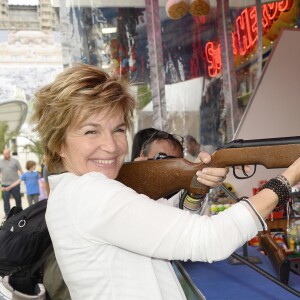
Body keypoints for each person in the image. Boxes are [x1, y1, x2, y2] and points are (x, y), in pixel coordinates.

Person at [31, 63, 300, 300]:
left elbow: (164, 230)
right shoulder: (90, 193)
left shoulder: (69, 193)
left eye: (119, 130)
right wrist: (286, 180)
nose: (111, 146)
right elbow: (211, 239)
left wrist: (197, 187)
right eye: (91, 131)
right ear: (58, 144)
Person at [0, 148, 23, 218]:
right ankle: (7, 215)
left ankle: (19, 213)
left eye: (7, 154)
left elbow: (21, 171)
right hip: (4, 184)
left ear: (9, 153)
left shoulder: (15, 161)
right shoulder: (0, 162)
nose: (5, 155)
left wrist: (21, 179)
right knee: (6, 201)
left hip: (15, 184)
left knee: (18, 199)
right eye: (4, 154)